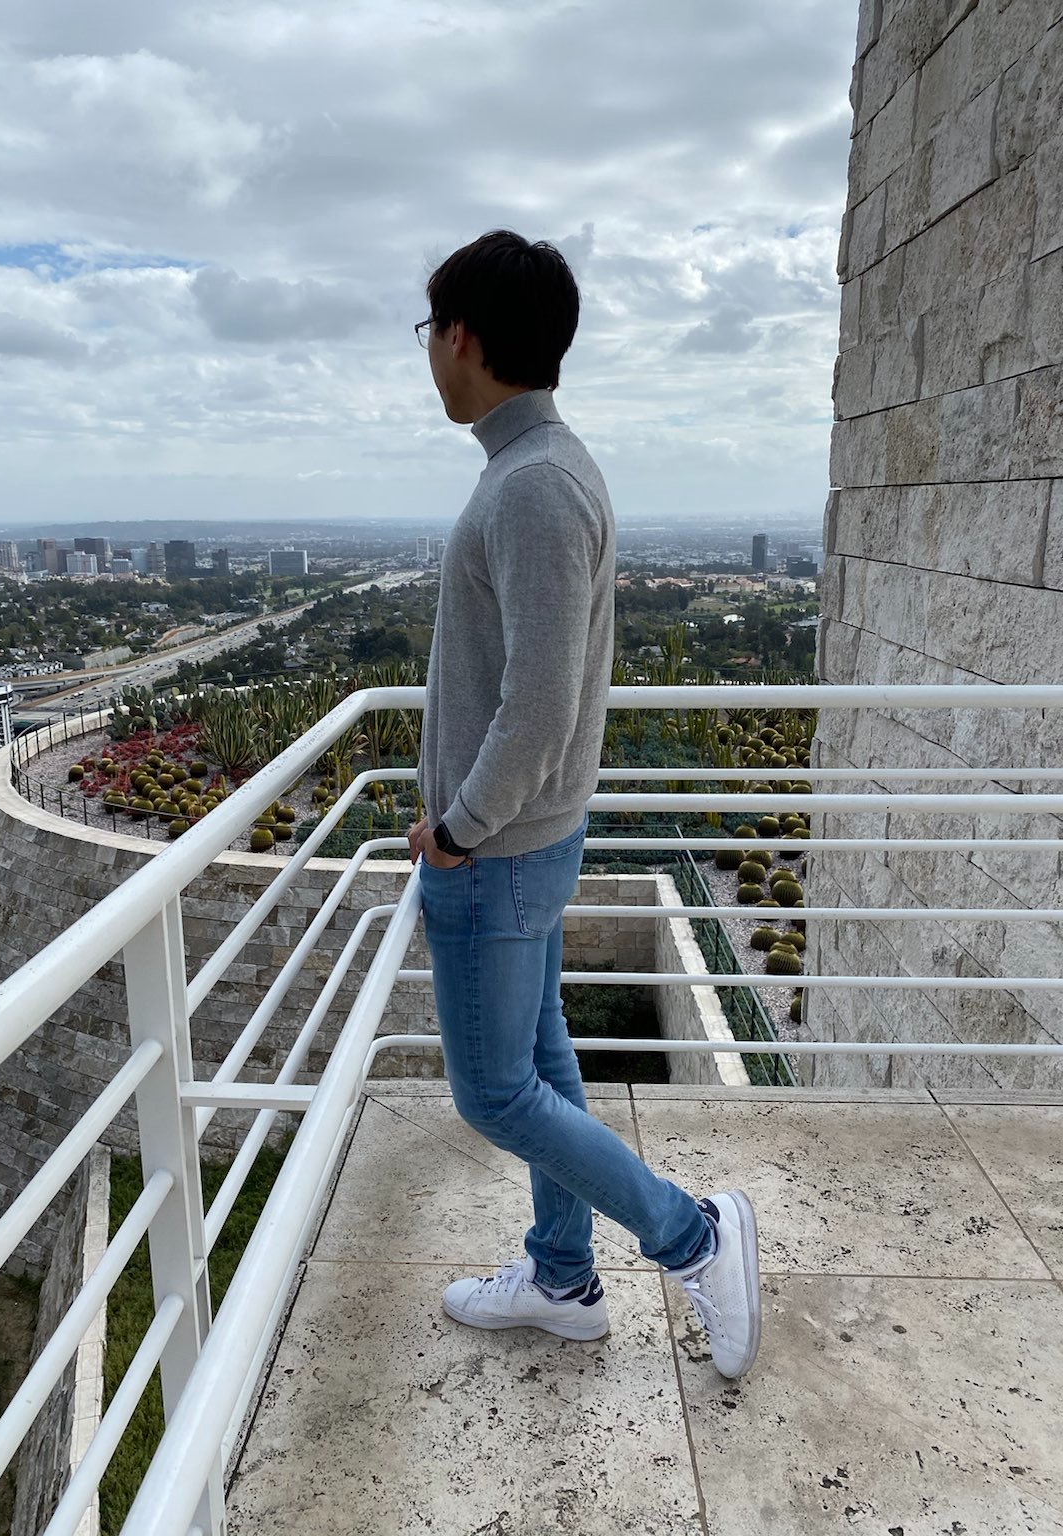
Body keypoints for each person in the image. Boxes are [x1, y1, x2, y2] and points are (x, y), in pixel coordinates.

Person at [407, 230, 761, 1379]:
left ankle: (694, 1237)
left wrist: (456, 828)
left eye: (432, 332)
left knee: (497, 1091)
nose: (430, 355)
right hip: (527, 848)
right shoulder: (536, 467)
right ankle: (562, 1278)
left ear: (465, 336)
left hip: (496, 854)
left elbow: (540, 703)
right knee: (547, 1063)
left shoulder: (535, 485)